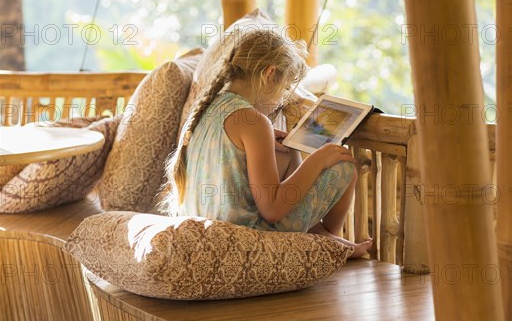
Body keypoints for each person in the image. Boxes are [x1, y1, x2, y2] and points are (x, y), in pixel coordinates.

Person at [157, 29, 372, 258]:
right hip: (247, 238)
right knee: (344, 165)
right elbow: (272, 210)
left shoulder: (207, 108)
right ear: (269, 74)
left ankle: (327, 239)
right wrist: (319, 160)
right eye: (286, 88)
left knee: (286, 153)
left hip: (209, 230)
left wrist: (269, 141)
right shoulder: (254, 121)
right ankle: (327, 246)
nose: (282, 99)